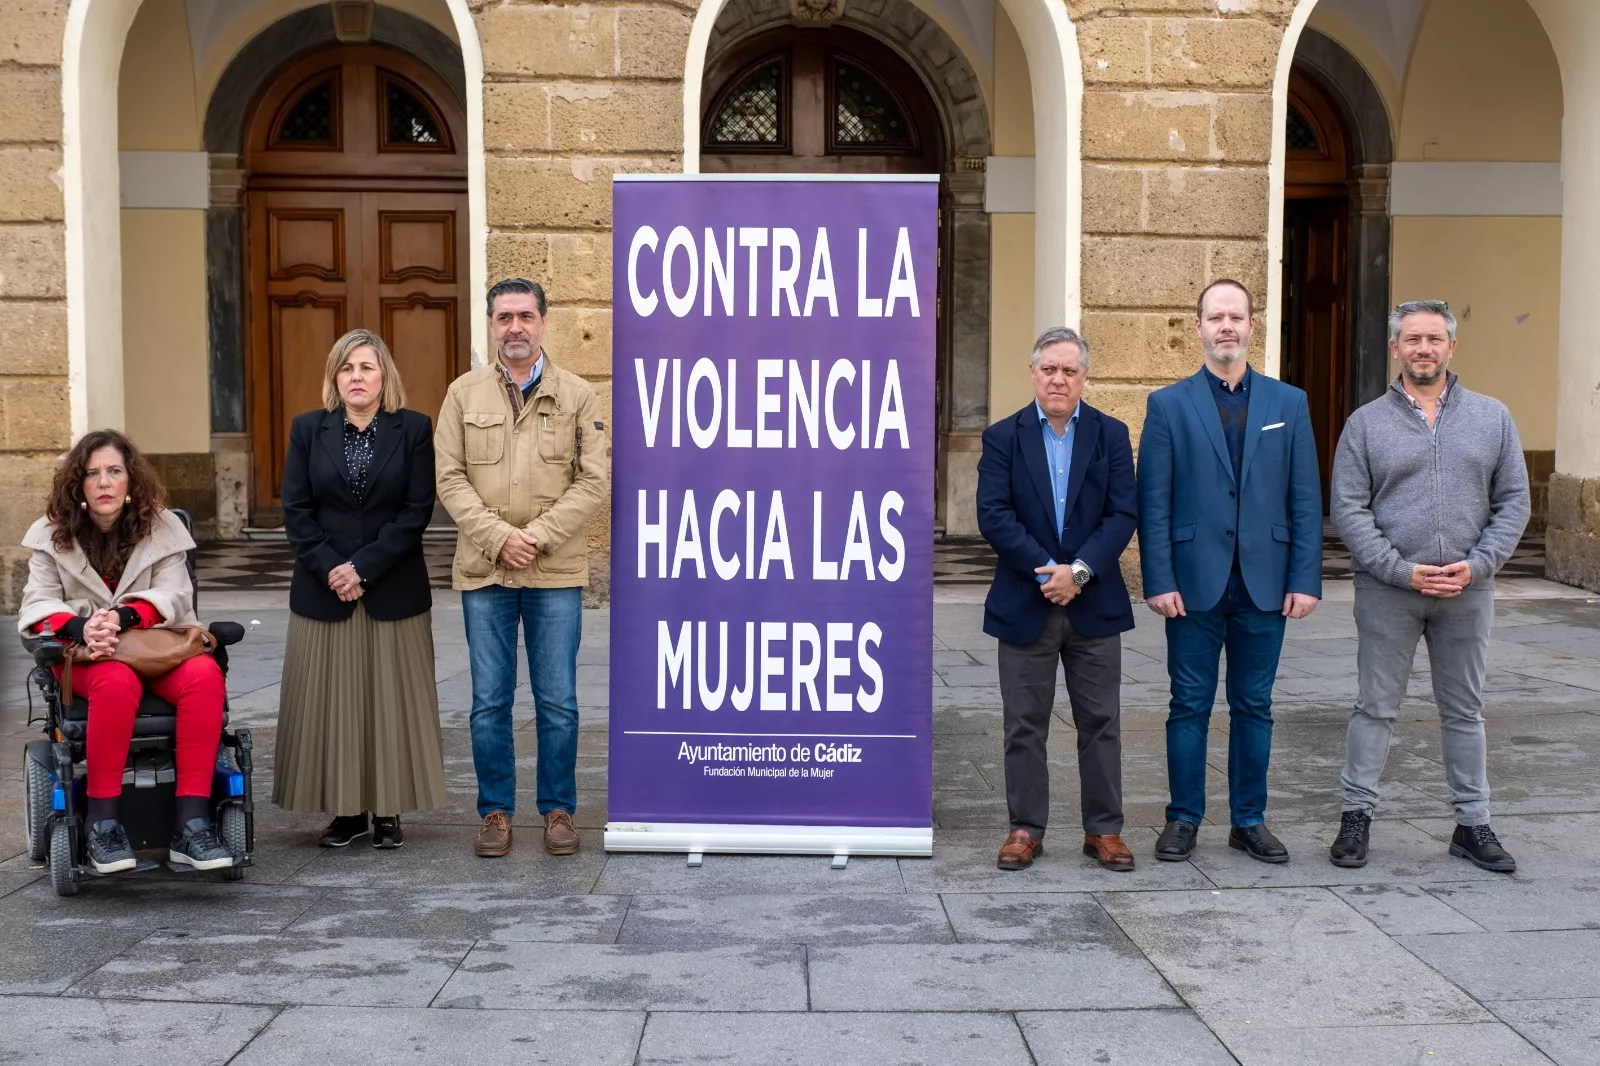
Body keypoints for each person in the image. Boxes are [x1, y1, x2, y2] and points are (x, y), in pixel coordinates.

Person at [1329, 300, 1530, 873]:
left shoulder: (1492, 417)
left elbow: (1514, 499)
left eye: (1434, 339)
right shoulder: (1365, 424)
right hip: (1389, 590)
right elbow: (1348, 507)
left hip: (1467, 589)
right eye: (1412, 339)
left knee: (1465, 710)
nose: (1423, 348)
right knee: (1375, 707)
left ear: (1451, 347)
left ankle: (1473, 823)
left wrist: (1480, 564)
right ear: (1395, 348)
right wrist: (1400, 569)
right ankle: (1355, 818)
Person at [1138, 279, 1323, 864]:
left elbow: (1304, 498)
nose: (1226, 326)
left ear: (1251, 326)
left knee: (1255, 705)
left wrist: (1305, 577)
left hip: (1266, 582)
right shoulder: (1168, 404)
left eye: (1236, 316)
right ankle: (1183, 818)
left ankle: (1248, 819)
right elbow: (1155, 500)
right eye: (1215, 316)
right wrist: (1158, 578)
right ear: (1198, 327)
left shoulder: (1288, 403)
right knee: (1188, 704)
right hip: (1192, 583)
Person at [436, 278, 607, 858]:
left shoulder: (578, 395)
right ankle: (495, 813)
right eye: (505, 316)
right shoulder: (462, 395)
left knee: (557, 698)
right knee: (489, 701)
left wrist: (533, 537)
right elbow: (450, 479)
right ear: (490, 323)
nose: (516, 326)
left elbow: (593, 481)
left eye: (526, 316)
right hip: (484, 570)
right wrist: (497, 538)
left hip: (554, 570)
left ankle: (558, 809)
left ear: (544, 322)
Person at [17, 429, 236, 874]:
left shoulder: (164, 528)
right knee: (116, 681)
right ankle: (102, 825)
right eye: (92, 473)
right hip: (86, 655)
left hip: (153, 647)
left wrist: (122, 619)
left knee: (205, 675)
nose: (104, 482)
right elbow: (37, 604)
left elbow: (175, 596)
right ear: (77, 483)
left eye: (114, 471)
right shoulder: (49, 535)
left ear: (130, 480)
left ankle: (191, 825)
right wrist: (83, 628)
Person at [274, 329, 447, 849]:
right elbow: (296, 511)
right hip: (322, 589)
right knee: (335, 703)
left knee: (390, 702)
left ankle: (389, 811)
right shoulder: (308, 430)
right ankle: (347, 812)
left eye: (367, 367)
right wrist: (332, 568)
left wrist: (363, 568)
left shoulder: (413, 429)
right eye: (346, 368)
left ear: (384, 376)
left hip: (392, 587)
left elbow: (416, 511)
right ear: (334, 377)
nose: (356, 377)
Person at [976, 327, 1139, 872]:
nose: (1059, 379)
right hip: (1026, 600)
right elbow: (993, 514)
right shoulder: (1003, 437)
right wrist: (1049, 572)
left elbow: (1122, 514)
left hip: (1094, 604)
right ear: (1033, 373)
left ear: (1084, 378)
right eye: (1049, 369)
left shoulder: (1112, 435)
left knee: (1101, 721)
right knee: (1024, 723)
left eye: (1070, 370)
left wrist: (1081, 572)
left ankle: (1104, 831)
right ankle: (1025, 828)